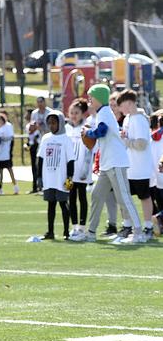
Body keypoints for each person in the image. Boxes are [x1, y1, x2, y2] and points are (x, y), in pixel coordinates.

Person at [70, 85, 143, 243]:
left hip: (116, 162)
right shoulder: (102, 112)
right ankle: (90, 232)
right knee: (96, 195)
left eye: (91, 97)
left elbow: (102, 131)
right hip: (107, 163)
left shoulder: (104, 112)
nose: (89, 100)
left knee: (124, 198)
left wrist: (87, 133)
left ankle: (138, 233)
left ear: (99, 98)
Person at [116, 89, 155, 243]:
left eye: (121, 105)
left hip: (140, 168)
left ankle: (148, 227)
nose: (120, 109)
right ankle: (127, 226)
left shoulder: (139, 119)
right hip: (129, 167)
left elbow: (141, 144)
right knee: (124, 198)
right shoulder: (127, 119)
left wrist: (127, 142)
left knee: (144, 197)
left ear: (129, 103)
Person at [38, 111, 74, 239]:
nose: (51, 125)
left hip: (61, 179)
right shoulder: (46, 138)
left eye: (54, 123)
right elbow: (41, 158)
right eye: (49, 123)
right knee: (51, 204)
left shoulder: (66, 139)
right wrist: (39, 177)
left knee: (64, 204)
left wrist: (69, 178)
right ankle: (50, 232)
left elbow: (70, 161)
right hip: (49, 179)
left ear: (60, 123)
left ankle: (66, 232)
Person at [66, 99, 94, 239]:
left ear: (82, 113)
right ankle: (74, 226)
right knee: (71, 197)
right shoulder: (66, 129)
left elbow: (89, 150)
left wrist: (86, 168)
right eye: (71, 113)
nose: (73, 115)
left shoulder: (86, 128)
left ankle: (82, 227)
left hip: (82, 169)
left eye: (76, 112)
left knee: (82, 196)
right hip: (70, 171)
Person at [28, 96, 50, 193]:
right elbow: (31, 128)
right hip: (38, 141)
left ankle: (47, 185)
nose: (40, 104)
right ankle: (37, 186)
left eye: (41, 101)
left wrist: (40, 127)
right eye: (38, 102)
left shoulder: (50, 112)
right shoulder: (34, 113)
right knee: (37, 164)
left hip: (48, 141)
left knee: (47, 163)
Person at [0, 113, 17, 195]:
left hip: (5, 154)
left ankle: (15, 187)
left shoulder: (8, 126)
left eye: (0, 120)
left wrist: (1, 138)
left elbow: (10, 136)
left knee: (9, 170)